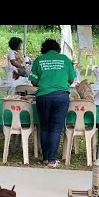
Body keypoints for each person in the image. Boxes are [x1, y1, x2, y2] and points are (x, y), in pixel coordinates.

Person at [29, 38, 76, 168]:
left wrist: (45, 82)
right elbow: (71, 79)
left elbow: (33, 81)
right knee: (56, 128)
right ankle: (52, 160)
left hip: (43, 96)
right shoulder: (65, 59)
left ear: (44, 49)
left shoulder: (39, 60)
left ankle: (45, 158)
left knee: (44, 126)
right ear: (58, 49)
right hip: (61, 96)